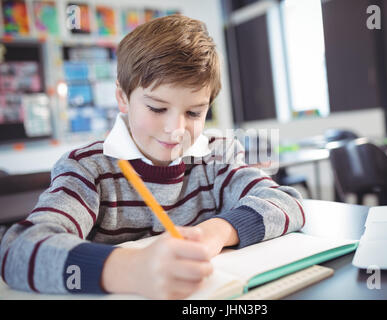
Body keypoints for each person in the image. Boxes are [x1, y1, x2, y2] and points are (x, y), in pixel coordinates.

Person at [0, 15, 305, 299]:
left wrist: (213, 232)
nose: (175, 129)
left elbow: (288, 202)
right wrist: (129, 269)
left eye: (194, 112)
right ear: (122, 98)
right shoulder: (88, 169)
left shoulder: (218, 155)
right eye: (157, 108)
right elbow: (17, 252)